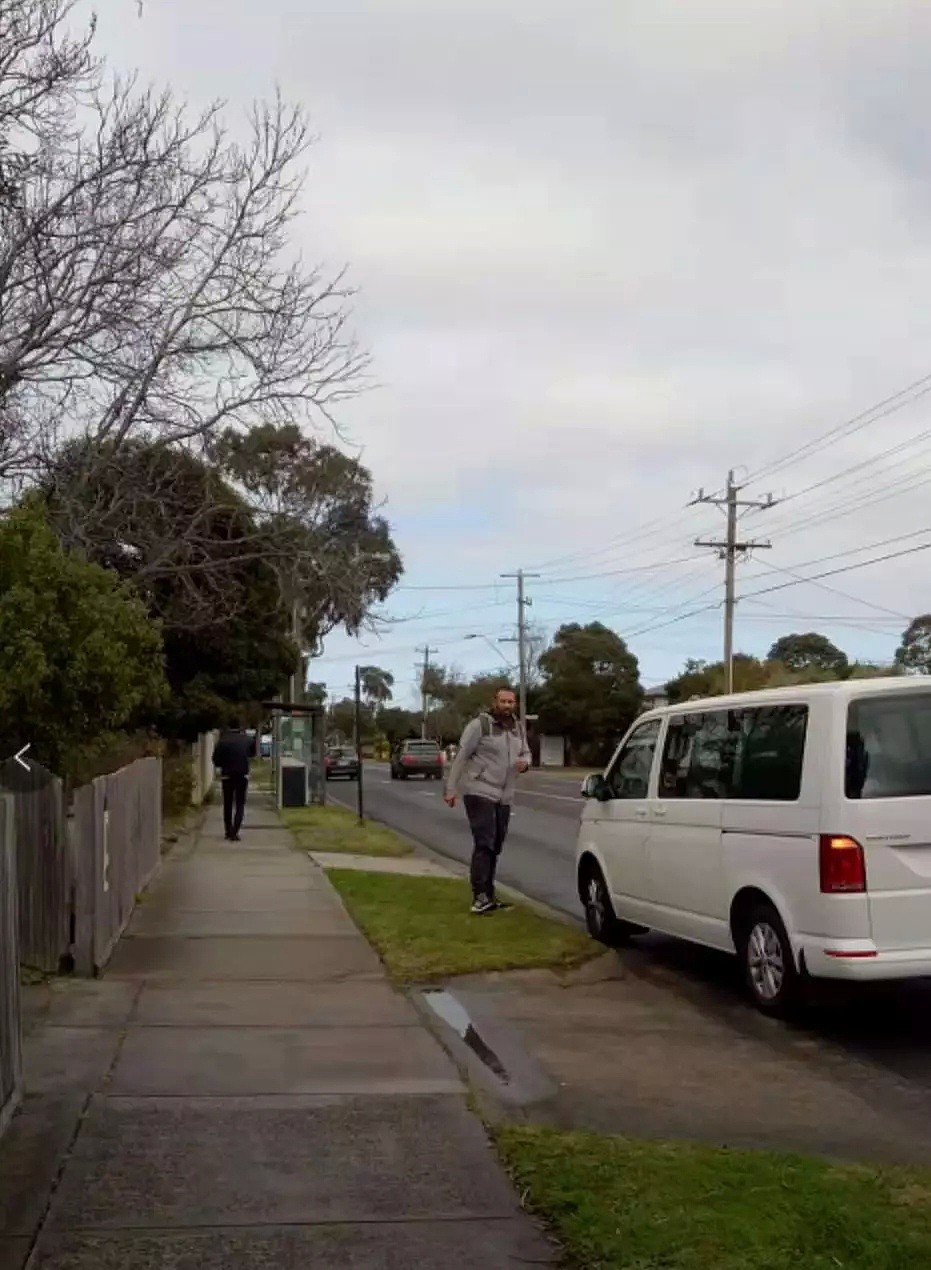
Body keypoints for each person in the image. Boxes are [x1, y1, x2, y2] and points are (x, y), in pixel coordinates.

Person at [444, 686, 531, 914]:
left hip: (505, 794)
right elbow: (462, 756)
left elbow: (526, 753)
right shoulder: (480, 726)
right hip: (479, 789)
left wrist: (526, 763)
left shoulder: (518, 728)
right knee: (484, 842)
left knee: (496, 845)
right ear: (494, 702)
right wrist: (451, 788)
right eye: (503, 702)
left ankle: (489, 895)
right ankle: (479, 896)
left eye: (511, 702)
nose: (507, 706)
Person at [212, 723, 257, 842]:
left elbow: (215, 760)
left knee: (227, 804)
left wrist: (224, 764)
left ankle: (228, 830)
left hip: (227, 775)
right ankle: (235, 831)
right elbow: (252, 753)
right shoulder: (247, 739)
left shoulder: (222, 741)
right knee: (240, 803)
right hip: (242, 775)